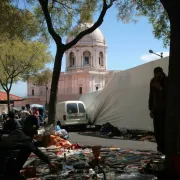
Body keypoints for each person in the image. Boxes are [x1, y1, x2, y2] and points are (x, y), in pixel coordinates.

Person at [149, 67, 168, 154]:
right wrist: (151, 108)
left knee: (163, 129)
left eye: (157, 74)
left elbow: (169, 94)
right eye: (155, 74)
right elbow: (151, 95)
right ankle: (159, 147)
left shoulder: (166, 80)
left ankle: (164, 148)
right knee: (157, 130)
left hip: (164, 109)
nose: (156, 75)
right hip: (156, 109)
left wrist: (160, 88)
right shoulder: (153, 81)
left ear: (161, 73)